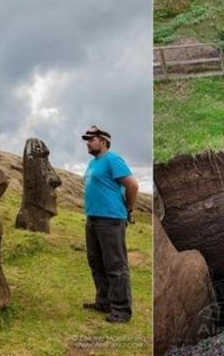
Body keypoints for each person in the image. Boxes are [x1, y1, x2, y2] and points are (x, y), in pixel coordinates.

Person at [81, 125, 138, 323]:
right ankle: (103, 302)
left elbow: (132, 184)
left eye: (91, 139)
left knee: (115, 265)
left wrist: (129, 209)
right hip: (93, 219)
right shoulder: (92, 163)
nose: (88, 143)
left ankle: (121, 310)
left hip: (111, 219)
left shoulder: (112, 159)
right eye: (87, 139)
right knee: (96, 262)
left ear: (103, 141)